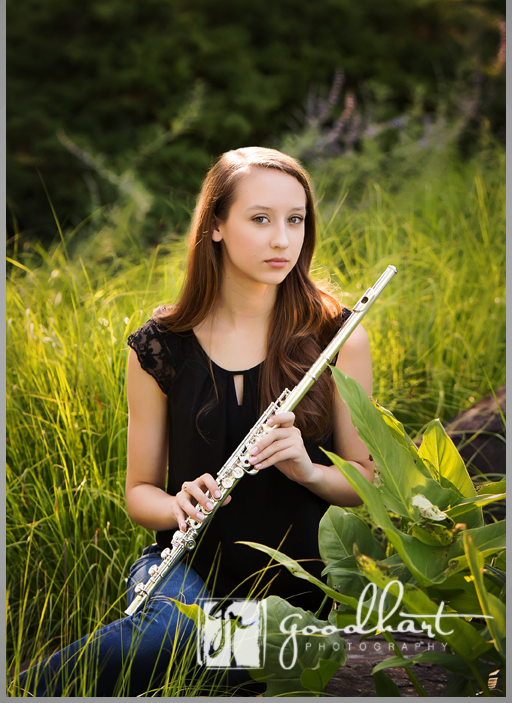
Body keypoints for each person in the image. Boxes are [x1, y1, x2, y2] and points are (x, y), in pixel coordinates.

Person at [15, 146, 373, 697]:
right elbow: (139, 494)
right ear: (216, 227)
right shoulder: (159, 347)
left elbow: (367, 481)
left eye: (295, 220)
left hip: (298, 589)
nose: (283, 239)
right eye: (260, 219)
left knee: (225, 656)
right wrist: (176, 505)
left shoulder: (338, 337)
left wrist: (309, 471)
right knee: (175, 634)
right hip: (184, 569)